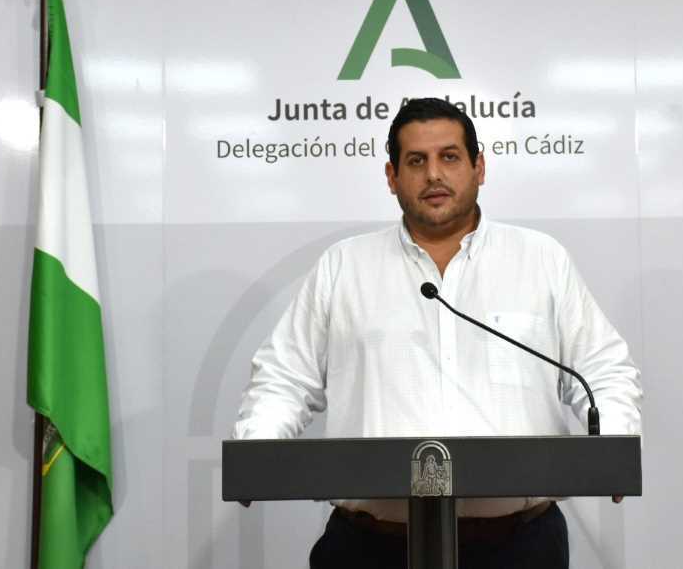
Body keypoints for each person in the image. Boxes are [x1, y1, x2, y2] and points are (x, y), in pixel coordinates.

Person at [232, 97, 642, 569]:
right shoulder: (344, 266)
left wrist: (613, 446)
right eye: (415, 161)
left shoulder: (540, 259)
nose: (433, 175)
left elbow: (603, 370)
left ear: (479, 167)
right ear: (392, 177)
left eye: (449, 157)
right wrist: (256, 454)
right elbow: (284, 379)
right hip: (372, 548)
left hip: (519, 548)